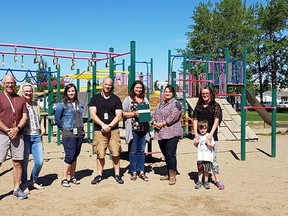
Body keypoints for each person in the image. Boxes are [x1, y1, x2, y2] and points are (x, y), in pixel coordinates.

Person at [89, 77, 124, 185]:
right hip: (99, 130)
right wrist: (103, 125)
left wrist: (110, 125)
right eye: (106, 84)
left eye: (109, 85)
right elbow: (93, 115)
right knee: (100, 153)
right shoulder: (94, 99)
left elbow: (119, 115)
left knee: (115, 152)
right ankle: (99, 175)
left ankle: (117, 174)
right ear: (102, 85)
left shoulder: (116, 99)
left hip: (113, 130)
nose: (108, 86)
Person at [0, 75, 28, 199]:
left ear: (15, 83)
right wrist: (7, 130)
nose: (10, 85)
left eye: (12, 83)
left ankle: (17, 188)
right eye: (7, 83)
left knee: (18, 162)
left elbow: (24, 116)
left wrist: (17, 129)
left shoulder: (21, 99)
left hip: (18, 135)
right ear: (3, 84)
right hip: (2, 134)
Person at [192, 85, 225, 190]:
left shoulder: (215, 106)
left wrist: (210, 134)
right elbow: (195, 119)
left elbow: (217, 120)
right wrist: (196, 133)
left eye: (207, 93)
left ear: (210, 94)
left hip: (212, 136)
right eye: (203, 94)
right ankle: (201, 179)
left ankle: (217, 180)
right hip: (200, 136)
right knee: (201, 158)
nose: (205, 95)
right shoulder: (199, 106)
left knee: (213, 158)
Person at [151, 85, 183, 185]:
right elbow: (154, 114)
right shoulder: (160, 104)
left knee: (170, 154)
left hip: (172, 132)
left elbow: (173, 116)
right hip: (161, 133)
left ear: (173, 93)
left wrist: (163, 123)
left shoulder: (176, 103)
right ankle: (169, 173)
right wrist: (153, 122)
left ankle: (172, 175)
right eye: (166, 91)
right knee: (166, 154)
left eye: (169, 91)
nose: (167, 93)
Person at [55, 83, 85, 188]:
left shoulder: (80, 103)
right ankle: (64, 178)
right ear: (66, 93)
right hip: (68, 132)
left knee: (75, 155)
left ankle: (73, 176)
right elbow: (57, 119)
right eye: (69, 91)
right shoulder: (61, 104)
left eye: (73, 91)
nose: (71, 93)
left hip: (79, 132)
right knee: (70, 155)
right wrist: (63, 128)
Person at [123, 80, 150, 182]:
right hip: (133, 129)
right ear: (133, 88)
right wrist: (134, 114)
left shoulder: (145, 99)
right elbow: (123, 113)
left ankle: (141, 171)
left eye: (140, 88)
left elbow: (148, 113)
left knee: (142, 151)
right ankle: (134, 171)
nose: (138, 89)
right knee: (133, 151)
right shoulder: (128, 99)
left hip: (143, 129)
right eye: (137, 87)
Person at [19, 83, 44, 194]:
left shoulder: (35, 104)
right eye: (26, 91)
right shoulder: (20, 104)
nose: (28, 93)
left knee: (39, 161)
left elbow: (40, 117)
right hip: (25, 136)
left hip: (36, 136)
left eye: (30, 91)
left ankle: (32, 181)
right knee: (24, 163)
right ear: (22, 92)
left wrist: (42, 127)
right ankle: (24, 184)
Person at [193, 120, 214, 189]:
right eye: (201, 128)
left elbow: (212, 145)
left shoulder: (209, 136)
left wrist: (208, 144)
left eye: (204, 129)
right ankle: (199, 181)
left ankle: (206, 181)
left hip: (208, 157)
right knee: (200, 170)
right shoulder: (197, 136)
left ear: (207, 128)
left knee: (207, 170)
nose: (202, 130)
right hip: (200, 157)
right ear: (198, 128)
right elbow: (195, 145)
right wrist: (196, 142)